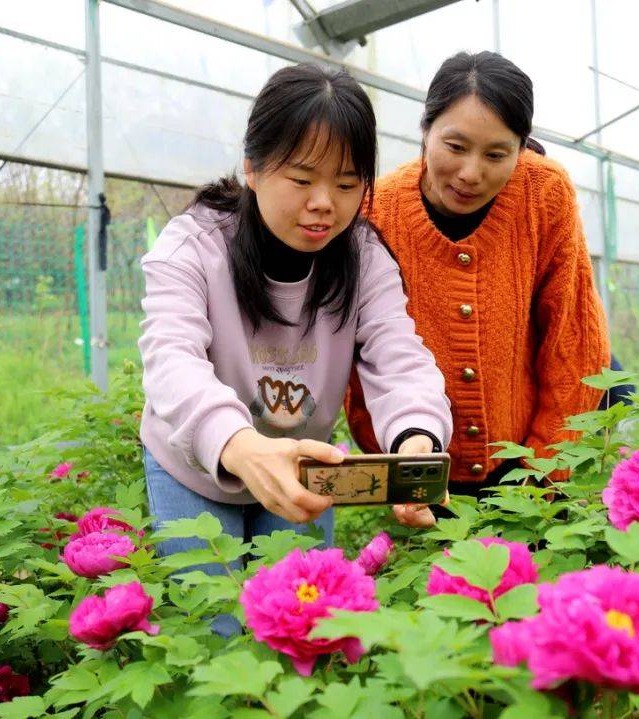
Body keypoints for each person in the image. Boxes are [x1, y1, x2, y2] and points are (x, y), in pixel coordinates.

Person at [137, 64, 452, 634]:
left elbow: (399, 358)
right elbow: (170, 359)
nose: (325, 204)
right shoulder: (193, 245)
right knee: (216, 633)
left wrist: (415, 443)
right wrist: (241, 446)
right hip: (195, 467)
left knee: (304, 630)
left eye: (348, 183)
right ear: (253, 167)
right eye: (302, 179)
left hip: (306, 471)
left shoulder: (363, 258)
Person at [346, 51, 610, 500]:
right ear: (425, 130)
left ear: (522, 148)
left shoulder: (544, 195)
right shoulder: (376, 211)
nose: (471, 173)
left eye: (496, 154)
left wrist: (542, 469)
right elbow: (361, 350)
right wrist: (396, 463)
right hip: (417, 468)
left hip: (528, 468)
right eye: (454, 147)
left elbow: (573, 341)